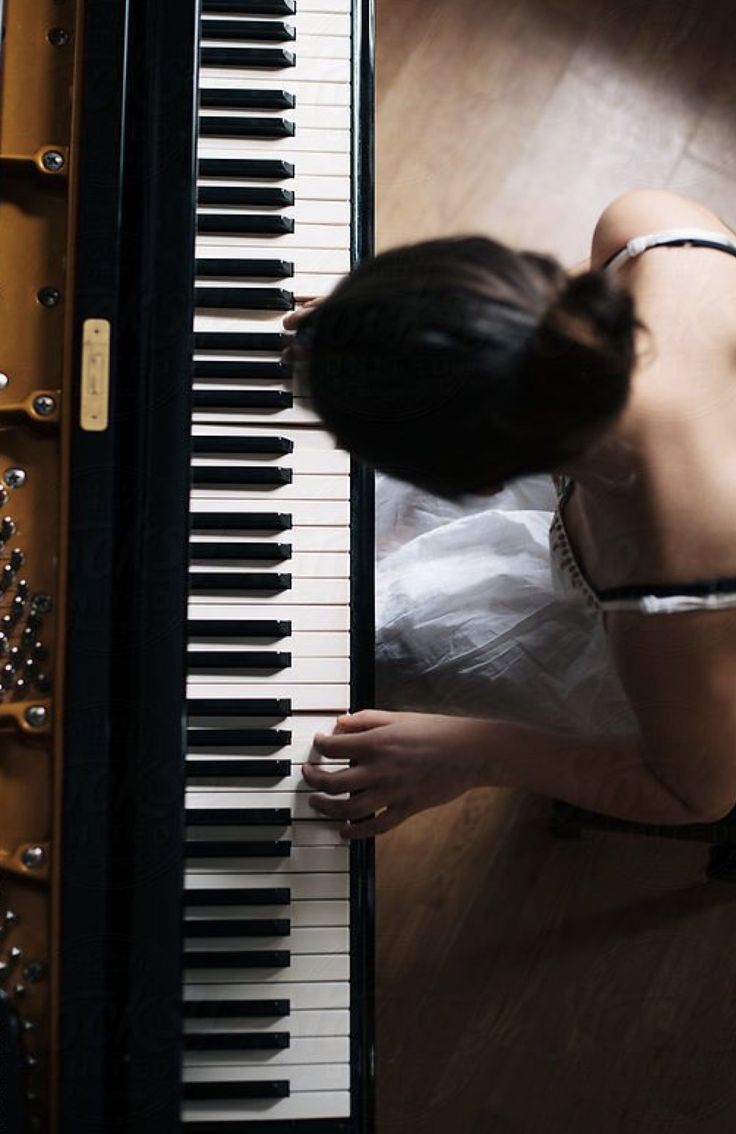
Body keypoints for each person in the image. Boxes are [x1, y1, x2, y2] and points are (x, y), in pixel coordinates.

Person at [283, 188, 736, 841]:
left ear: (485, 477)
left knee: (381, 641)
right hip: (619, 486)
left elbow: (696, 793)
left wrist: (475, 752)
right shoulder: (654, 230)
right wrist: (421, 337)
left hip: (696, 675)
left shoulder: (669, 584)